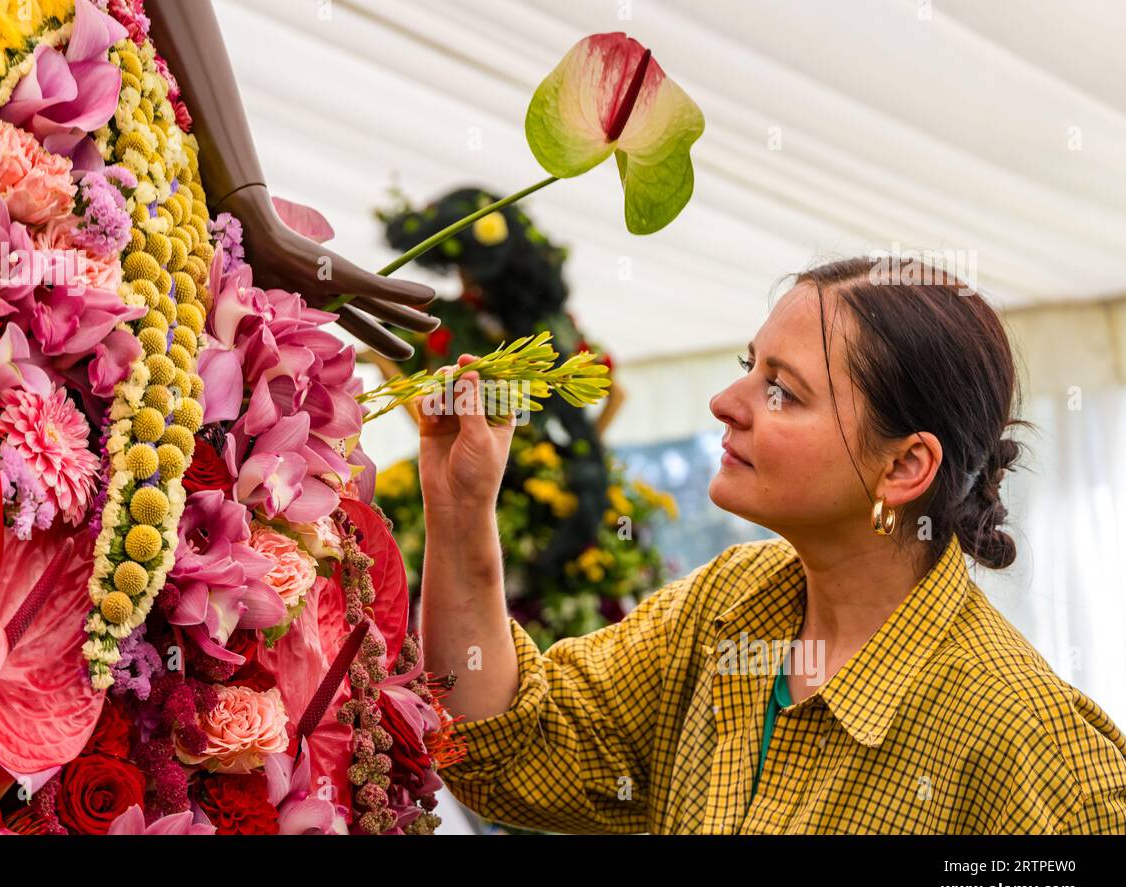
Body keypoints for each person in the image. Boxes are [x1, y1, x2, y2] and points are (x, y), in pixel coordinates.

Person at [417, 256, 1126, 834]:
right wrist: (460, 512)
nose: (727, 401)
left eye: (781, 390)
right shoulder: (728, 606)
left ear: (905, 467)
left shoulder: (1031, 746)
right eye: (749, 364)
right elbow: (504, 743)